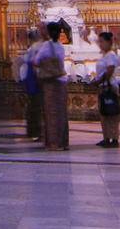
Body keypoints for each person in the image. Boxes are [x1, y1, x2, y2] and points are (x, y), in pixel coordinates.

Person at [38, 21, 70, 151]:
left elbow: (37, 60)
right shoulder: (61, 47)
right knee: (62, 113)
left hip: (50, 82)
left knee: (51, 113)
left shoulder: (47, 45)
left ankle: (53, 144)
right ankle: (63, 142)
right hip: (62, 81)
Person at [93, 32, 120, 148]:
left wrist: (98, 81)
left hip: (109, 85)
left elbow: (109, 71)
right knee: (104, 112)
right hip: (102, 86)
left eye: (102, 41)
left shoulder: (111, 55)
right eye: (99, 42)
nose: (100, 44)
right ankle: (106, 137)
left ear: (109, 42)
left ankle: (114, 138)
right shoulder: (104, 56)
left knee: (112, 112)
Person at [20, 27, 45, 141]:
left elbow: (34, 65)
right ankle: (35, 132)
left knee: (34, 109)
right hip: (33, 81)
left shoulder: (35, 48)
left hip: (34, 81)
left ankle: (36, 133)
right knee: (35, 108)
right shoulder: (38, 47)